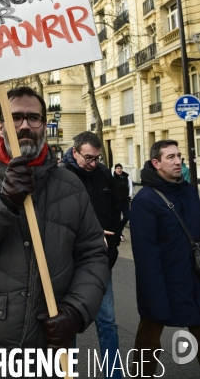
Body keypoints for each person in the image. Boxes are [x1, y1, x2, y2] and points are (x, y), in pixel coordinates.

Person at [0, 87, 109, 377]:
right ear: (1, 125)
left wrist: (77, 311)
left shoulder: (69, 185)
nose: (25, 125)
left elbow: (93, 255)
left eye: (34, 118)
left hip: (49, 349)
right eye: (15, 117)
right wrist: (3, 202)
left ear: (44, 124)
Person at [131, 139, 200, 376]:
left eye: (179, 155)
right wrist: (153, 296)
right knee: (148, 342)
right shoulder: (145, 200)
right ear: (156, 163)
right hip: (162, 282)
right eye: (170, 157)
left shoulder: (190, 191)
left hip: (194, 278)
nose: (178, 161)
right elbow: (145, 256)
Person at [63, 131, 121, 379]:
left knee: (107, 321)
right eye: (88, 158)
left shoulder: (103, 173)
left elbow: (113, 209)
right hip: (70, 262)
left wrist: (114, 238)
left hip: (102, 261)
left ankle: (114, 374)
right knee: (69, 323)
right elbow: (56, 223)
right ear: (75, 152)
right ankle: (67, 374)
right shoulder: (60, 177)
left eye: (97, 158)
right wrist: (91, 233)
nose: (93, 163)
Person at [113, 163, 132, 241]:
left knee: (127, 216)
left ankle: (118, 229)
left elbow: (130, 186)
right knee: (117, 219)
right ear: (115, 169)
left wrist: (129, 196)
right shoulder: (112, 178)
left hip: (125, 201)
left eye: (120, 168)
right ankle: (119, 234)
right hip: (117, 201)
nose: (119, 169)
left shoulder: (126, 177)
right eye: (117, 168)